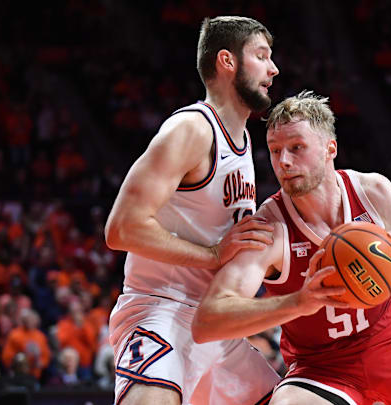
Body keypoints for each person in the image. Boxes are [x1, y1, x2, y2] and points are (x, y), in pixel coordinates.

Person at [192, 91, 391, 405]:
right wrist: (298, 303)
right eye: (275, 151)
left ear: (331, 148)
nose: (284, 161)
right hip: (320, 366)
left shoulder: (374, 192)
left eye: (296, 148)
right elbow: (207, 322)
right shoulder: (269, 229)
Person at [104, 16, 281, 405]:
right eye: (262, 56)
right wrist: (213, 255)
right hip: (162, 309)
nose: (273, 69)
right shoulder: (192, 128)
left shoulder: (246, 139)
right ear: (227, 61)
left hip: (216, 324)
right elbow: (121, 229)